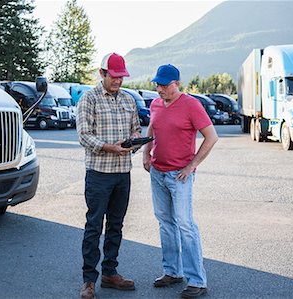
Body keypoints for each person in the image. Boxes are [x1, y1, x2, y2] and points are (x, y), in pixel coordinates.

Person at [143, 64, 218, 298]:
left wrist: (191, 165)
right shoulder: (155, 104)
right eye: (157, 84)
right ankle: (173, 271)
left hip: (180, 175)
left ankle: (197, 280)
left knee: (185, 225)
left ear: (177, 84)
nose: (160, 89)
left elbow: (211, 137)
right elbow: (151, 130)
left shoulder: (191, 105)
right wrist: (146, 153)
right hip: (157, 173)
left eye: (164, 85)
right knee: (165, 223)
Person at [76, 52, 141, 299]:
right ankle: (88, 280)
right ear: (102, 73)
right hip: (99, 174)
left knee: (116, 224)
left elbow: (136, 129)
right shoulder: (88, 99)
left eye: (121, 77)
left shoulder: (128, 99)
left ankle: (110, 273)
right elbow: (84, 135)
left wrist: (136, 140)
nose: (118, 81)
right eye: (114, 77)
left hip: (123, 174)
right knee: (94, 225)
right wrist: (109, 147)